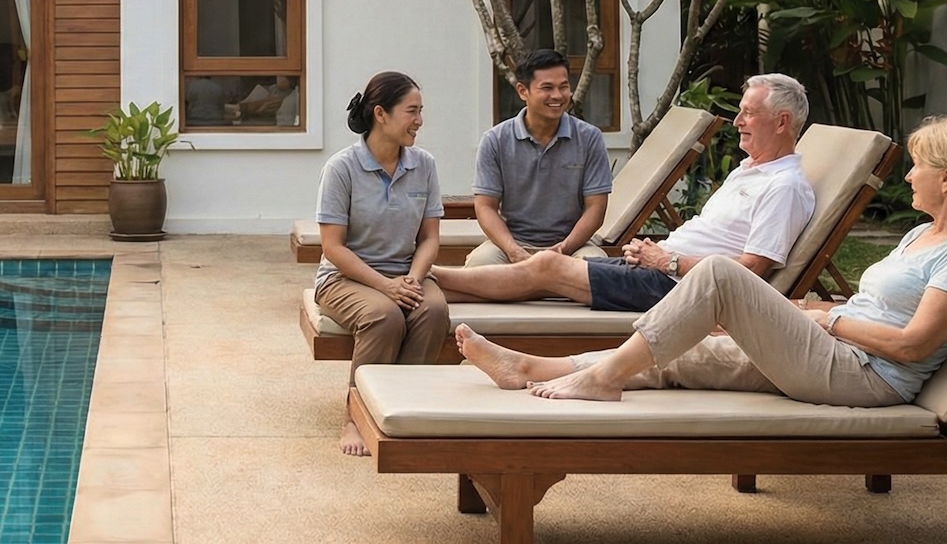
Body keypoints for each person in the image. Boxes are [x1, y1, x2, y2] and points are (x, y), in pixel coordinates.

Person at [457, 116, 947, 406]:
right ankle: (527, 369)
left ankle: (598, 379)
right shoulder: (920, 234)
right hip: (831, 350)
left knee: (719, 272)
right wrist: (791, 312)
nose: (908, 176)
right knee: (677, 356)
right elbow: (870, 309)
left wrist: (826, 318)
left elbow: (914, 345)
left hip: (866, 376)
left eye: (917, 167)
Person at [432, 73, 815, 313]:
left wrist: (665, 261)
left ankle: (427, 276)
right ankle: (430, 290)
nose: (737, 121)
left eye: (748, 113)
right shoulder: (750, 171)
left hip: (678, 287)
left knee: (547, 269)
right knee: (540, 274)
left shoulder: (784, 187)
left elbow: (751, 272)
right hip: (662, 270)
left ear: (781, 122)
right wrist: (654, 254)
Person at [315, 71, 450, 456]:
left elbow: (429, 238)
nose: (419, 121)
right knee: (384, 316)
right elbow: (333, 247)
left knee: (433, 310)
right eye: (412, 111)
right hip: (345, 277)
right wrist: (385, 286)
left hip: (406, 273)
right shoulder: (341, 169)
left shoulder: (424, 165)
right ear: (381, 114)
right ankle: (356, 418)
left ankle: (405, 409)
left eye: (421, 111)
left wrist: (412, 278)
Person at [466, 49, 614, 266]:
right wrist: (513, 250)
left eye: (563, 87)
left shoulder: (589, 138)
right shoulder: (495, 140)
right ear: (522, 91)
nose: (557, 95)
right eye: (547, 88)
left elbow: (596, 207)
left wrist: (564, 249)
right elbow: (485, 206)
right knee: (477, 266)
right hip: (512, 244)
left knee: (597, 269)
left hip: (574, 245)